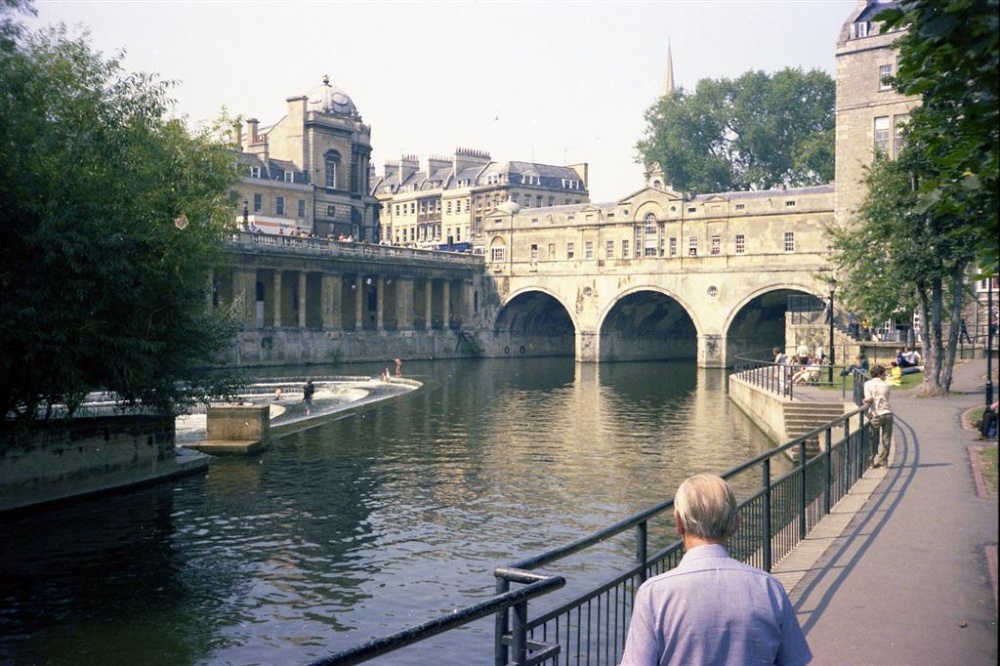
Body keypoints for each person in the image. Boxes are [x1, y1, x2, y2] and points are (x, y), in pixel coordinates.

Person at [620, 474, 812, 666]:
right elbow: (795, 660)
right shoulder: (769, 588)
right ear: (735, 523)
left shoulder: (654, 595)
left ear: (678, 523)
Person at [863, 365, 893, 468]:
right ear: (879, 374)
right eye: (884, 373)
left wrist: (866, 401)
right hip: (888, 413)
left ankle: (870, 460)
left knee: (871, 437)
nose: (885, 375)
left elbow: (869, 398)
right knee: (886, 438)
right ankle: (883, 461)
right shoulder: (887, 385)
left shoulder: (868, 384)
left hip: (876, 414)